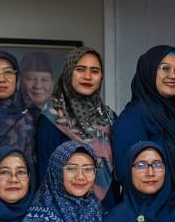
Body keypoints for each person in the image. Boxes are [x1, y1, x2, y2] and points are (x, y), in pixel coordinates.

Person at [111, 45, 175, 197]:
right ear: (150, 71)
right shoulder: (132, 118)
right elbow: (126, 175)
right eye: (165, 68)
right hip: (152, 211)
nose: (173, 75)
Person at [36, 47, 116, 203]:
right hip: (66, 212)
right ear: (68, 73)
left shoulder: (110, 118)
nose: (87, 76)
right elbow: (46, 177)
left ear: (101, 77)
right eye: (80, 69)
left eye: (94, 71)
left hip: (108, 210)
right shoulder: (52, 118)